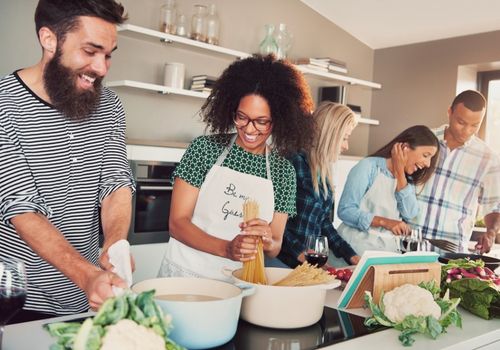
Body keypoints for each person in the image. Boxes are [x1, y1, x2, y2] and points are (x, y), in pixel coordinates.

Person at [0, 0, 134, 322]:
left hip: (88, 295)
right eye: (90, 51)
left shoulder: (109, 105)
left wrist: (115, 244)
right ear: (49, 39)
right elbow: (21, 208)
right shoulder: (4, 105)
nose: (102, 68)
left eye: (108, 54)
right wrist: (86, 275)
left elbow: (115, 183)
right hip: (18, 297)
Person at [158, 54, 315, 280]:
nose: (249, 129)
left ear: (279, 120)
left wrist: (267, 238)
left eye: (261, 121)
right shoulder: (204, 150)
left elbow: (275, 246)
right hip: (186, 275)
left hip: (239, 283)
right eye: (242, 117)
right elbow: (177, 223)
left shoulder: (283, 172)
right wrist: (226, 248)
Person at [412, 90, 500, 253]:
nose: (466, 131)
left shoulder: (489, 159)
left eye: (475, 125)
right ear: (449, 112)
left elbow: (493, 206)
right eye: (461, 122)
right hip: (408, 245)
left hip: (451, 254)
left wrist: (490, 233)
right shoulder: (422, 140)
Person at [278, 102, 361, 268]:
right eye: (344, 138)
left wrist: (351, 255)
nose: (346, 146)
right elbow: (278, 226)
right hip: (284, 262)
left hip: (307, 264)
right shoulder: (293, 163)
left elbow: (323, 222)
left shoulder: (323, 173)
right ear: (329, 135)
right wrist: (302, 255)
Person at [336, 125, 439, 256]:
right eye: (426, 155)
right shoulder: (368, 166)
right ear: (405, 148)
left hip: (386, 253)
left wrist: (400, 173)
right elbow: (345, 210)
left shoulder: (407, 180)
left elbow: (410, 213)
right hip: (354, 251)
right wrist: (385, 222)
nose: (428, 164)